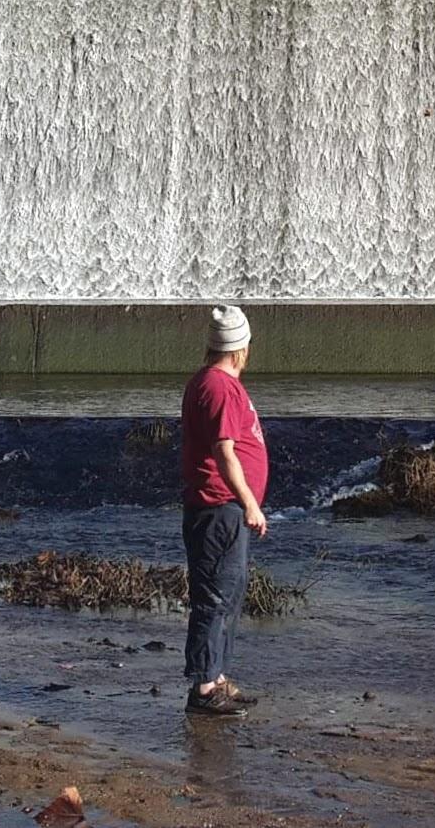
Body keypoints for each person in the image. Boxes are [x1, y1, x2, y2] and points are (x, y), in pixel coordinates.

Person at [180, 303, 271, 715]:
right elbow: (224, 452)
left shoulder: (211, 382)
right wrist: (250, 503)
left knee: (227, 594)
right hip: (219, 507)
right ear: (241, 350)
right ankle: (203, 688)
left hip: (223, 507)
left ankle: (216, 677)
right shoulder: (217, 387)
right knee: (215, 596)